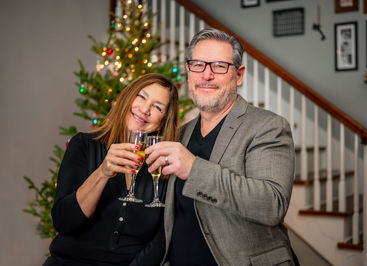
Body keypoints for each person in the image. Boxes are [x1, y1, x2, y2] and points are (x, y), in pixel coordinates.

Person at [146, 29, 298, 266]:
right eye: (198, 65)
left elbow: (272, 204)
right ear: (188, 72)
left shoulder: (268, 126)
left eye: (218, 66)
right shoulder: (181, 134)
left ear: (238, 75)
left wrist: (194, 169)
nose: (206, 75)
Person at [43, 73, 180, 266]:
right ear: (128, 97)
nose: (145, 109)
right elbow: (64, 222)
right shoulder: (84, 145)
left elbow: (160, 241)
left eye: (157, 107)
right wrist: (102, 173)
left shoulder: (162, 167)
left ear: (163, 120)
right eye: (141, 96)